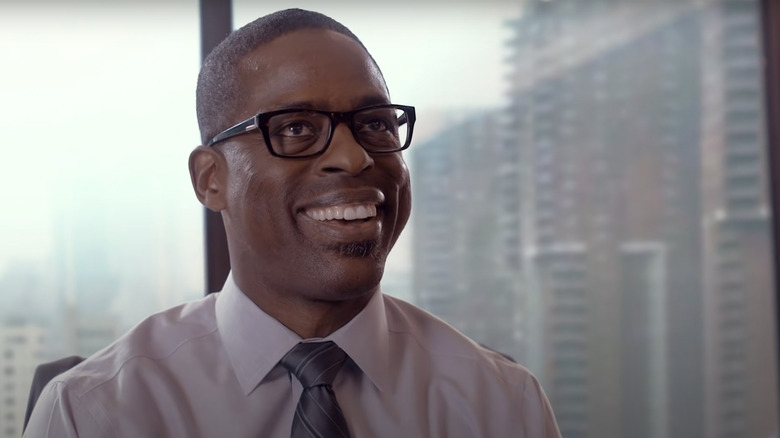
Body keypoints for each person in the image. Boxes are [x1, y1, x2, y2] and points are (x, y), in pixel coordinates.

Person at [24, 8, 561, 438]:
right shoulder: (95, 413)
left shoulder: (500, 404)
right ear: (211, 179)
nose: (353, 158)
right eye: (298, 128)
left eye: (375, 123)